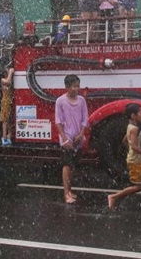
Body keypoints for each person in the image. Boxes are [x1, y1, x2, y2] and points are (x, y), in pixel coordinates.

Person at [107, 103, 141, 216]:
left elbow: (125, 141)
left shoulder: (130, 127)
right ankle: (113, 197)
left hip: (138, 160)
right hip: (135, 162)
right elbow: (135, 147)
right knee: (138, 187)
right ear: (133, 116)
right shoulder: (134, 129)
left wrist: (132, 151)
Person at [55, 74, 89, 204]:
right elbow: (58, 122)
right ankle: (66, 193)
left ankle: (70, 190)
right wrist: (64, 139)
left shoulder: (81, 100)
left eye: (78, 86)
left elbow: (85, 119)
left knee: (73, 165)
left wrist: (81, 134)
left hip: (78, 138)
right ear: (67, 87)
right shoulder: (60, 101)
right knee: (67, 165)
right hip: (67, 137)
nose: (77, 89)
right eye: (74, 86)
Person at [0, 67, 15, 146]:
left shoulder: (9, 78)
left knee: (9, 119)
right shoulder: (3, 80)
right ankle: (4, 136)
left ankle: (9, 135)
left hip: (10, 101)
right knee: (5, 119)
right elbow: (8, 82)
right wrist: (11, 72)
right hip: (5, 101)